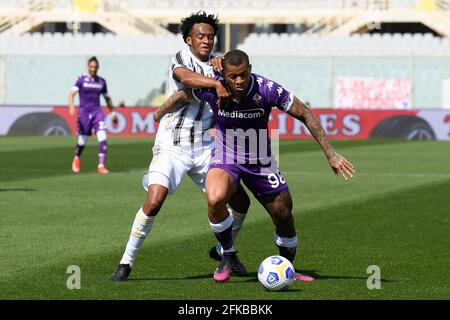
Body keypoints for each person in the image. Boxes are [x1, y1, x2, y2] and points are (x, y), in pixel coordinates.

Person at [156, 49, 356, 282]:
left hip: (260, 156)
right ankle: (228, 255)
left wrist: (331, 155)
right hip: (226, 154)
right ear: (225, 74)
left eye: (243, 74)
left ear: (250, 69)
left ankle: (288, 267)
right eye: (233, 76)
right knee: (215, 197)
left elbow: (304, 113)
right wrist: (159, 114)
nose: (239, 80)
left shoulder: (267, 89)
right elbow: (183, 94)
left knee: (283, 213)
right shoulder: (213, 86)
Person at [111, 12, 250, 281]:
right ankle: (126, 262)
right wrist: (214, 82)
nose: (207, 40)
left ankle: (225, 251)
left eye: (211, 36)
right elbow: (185, 78)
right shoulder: (180, 58)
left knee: (241, 201)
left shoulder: (219, 66)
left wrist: (223, 73)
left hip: (204, 147)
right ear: (189, 40)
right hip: (171, 145)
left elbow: (238, 79)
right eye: (201, 36)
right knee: (154, 201)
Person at [69, 56, 117, 174]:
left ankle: (101, 165)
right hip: (84, 113)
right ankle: (77, 157)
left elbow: (107, 98)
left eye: (95, 67)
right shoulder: (81, 79)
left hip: (97, 112)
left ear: (98, 67)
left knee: (103, 137)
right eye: (91, 67)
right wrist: (71, 105)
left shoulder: (101, 81)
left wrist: (113, 112)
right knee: (83, 141)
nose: (93, 69)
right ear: (88, 67)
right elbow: (71, 94)